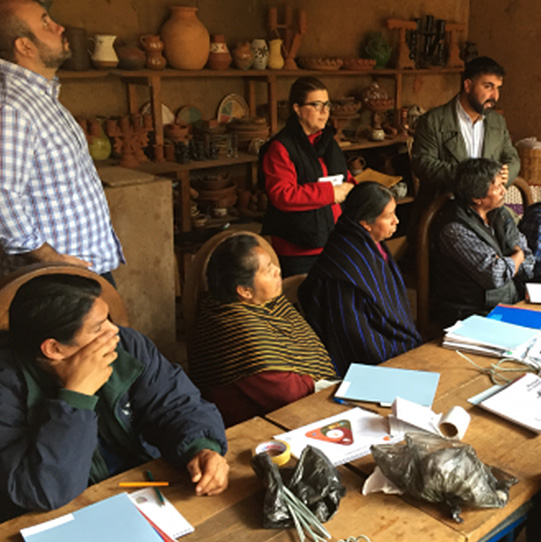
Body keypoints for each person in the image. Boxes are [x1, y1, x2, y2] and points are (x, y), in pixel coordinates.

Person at [0, 274, 229, 521]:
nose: (114, 331)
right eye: (99, 327)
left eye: (108, 319)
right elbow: (44, 491)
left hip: (145, 491)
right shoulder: (7, 385)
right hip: (64, 515)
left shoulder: (126, 346)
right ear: (55, 349)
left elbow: (175, 403)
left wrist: (200, 447)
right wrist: (76, 397)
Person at [0, 0, 124, 281]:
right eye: (46, 23)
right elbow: (2, 196)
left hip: (78, 268)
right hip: (56, 278)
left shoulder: (39, 99)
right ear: (25, 46)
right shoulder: (12, 108)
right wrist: (49, 259)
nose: (59, 27)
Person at [188, 234, 338, 426]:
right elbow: (288, 395)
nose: (277, 270)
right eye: (268, 270)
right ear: (244, 291)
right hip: (257, 426)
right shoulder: (237, 329)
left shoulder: (266, 304)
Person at [299, 182, 421, 375]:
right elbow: (353, 332)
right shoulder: (345, 266)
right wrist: (397, 355)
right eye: (388, 216)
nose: (396, 221)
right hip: (366, 354)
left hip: (388, 337)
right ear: (366, 223)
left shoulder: (372, 242)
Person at [258, 76, 355, 277]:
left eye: (327, 105)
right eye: (317, 105)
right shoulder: (281, 148)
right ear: (297, 109)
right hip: (299, 248)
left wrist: (359, 188)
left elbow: (344, 177)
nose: (324, 111)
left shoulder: (328, 142)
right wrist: (330, 193)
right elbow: (283, 195)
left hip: (334, 240)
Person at [410, 56, 520, 232]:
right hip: (443, 214)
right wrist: (472, 178)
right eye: (488, 87)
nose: (495, 96)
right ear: (468, 85)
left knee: (517, 236)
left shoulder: (497, 121)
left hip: (486, 212)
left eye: (498, 88)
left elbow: (512, 158)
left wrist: (504, 175)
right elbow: (422, 164)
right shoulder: (433, 120)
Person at [431, 158, 534, 327]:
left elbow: (528, 261)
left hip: (509, 302)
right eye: (498, 186)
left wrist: (511, 261)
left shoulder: (500, 213)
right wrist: (517, 256)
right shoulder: (455, 230)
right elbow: (494, 275)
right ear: (477, 198)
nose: (504, 191)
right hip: (472, 313)